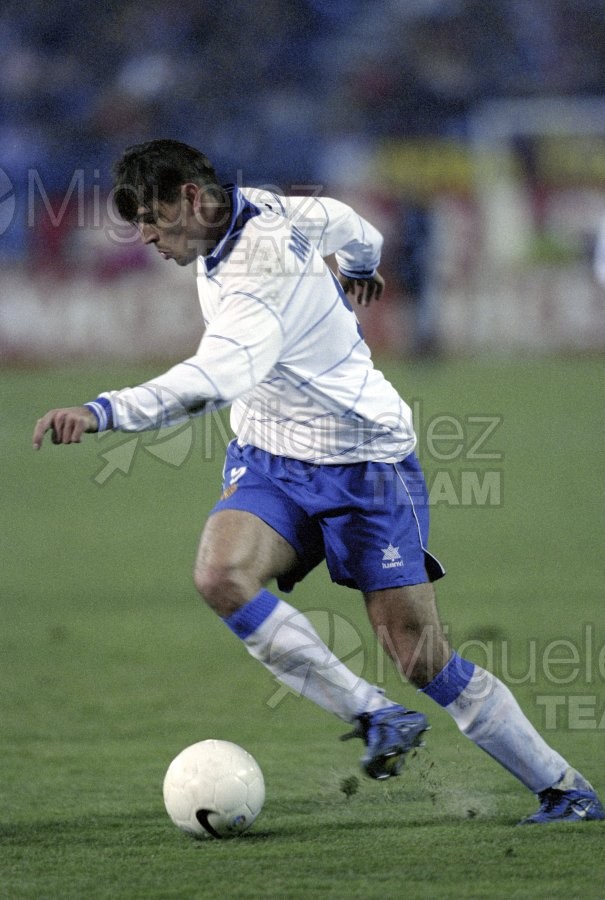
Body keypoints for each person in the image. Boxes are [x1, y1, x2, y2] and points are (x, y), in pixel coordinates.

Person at [33, 139, 603, 825]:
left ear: (190, 196)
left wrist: (103, 411)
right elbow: (352, 224)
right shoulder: (261, 206)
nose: (148, 236)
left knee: (418, 656)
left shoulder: (258, 272)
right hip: (272, 456)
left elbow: (212, 381)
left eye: (154, 217)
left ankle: (562, 789)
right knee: (220, 575)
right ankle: (372, 714)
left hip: (365, 464)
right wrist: (361, 267)